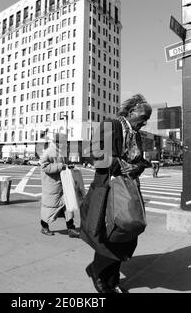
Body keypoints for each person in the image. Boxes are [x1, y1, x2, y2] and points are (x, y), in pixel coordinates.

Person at [81, 94, 152, 293]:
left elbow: (140, 162)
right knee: (109, 235)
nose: (145, 122)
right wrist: (121, 165)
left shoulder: (136, 135)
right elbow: (94, 154)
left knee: (127, 234)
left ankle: (111, 278)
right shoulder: (109, 126)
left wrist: (136, 167)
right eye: (143, 117)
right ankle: (99, 275)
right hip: (108, 190)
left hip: (129, 190)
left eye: (147, 119)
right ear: (131, 112)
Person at [39, 133, 80, 239]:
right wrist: (60, 166)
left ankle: (71, 229)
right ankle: (44, 227)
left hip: (63, 184)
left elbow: (64, 164)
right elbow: (44, 166)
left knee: (68, 206)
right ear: (57, 142)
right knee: (49, 208)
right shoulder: (49, 152)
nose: (65, 144)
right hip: (52, 185)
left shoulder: (62, 151)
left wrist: (68, 165)